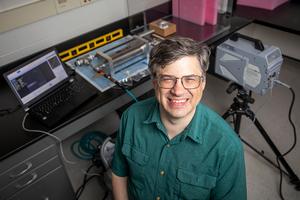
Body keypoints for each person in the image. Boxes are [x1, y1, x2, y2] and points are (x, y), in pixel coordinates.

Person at [111, 36, 247, 200]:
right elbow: (119, 173)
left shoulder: (227, 147)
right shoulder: (130, 117)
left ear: (203, 83)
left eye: (190, 79)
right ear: (155, 83)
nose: (178, 90)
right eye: (168, 79)